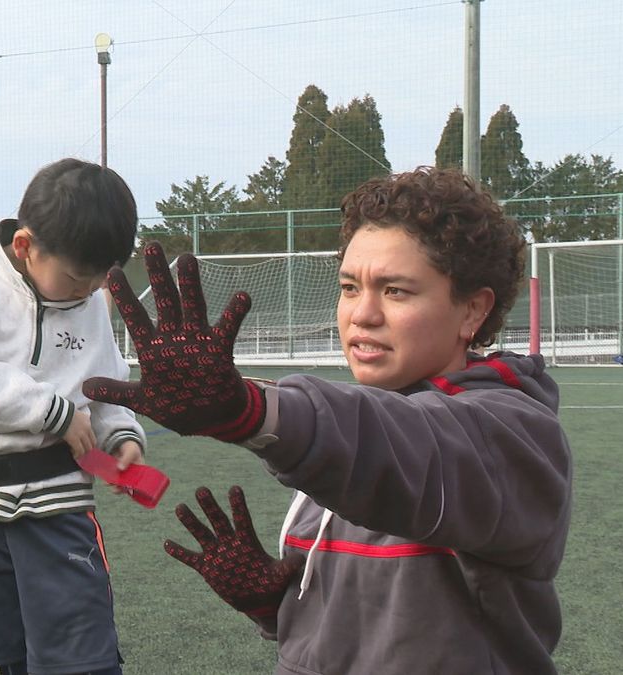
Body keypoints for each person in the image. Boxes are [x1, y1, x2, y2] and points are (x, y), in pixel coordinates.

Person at [84, 166, 573, 674]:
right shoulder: (354, 438)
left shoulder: (513, 437)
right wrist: (276, 606)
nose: (362, 314)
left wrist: (247, 408)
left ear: (472, 311)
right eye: (349, 287)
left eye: (396, 290)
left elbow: (409, 452)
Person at [0, 158, 146, 675]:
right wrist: (49, 410)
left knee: (78, 660)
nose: (88, 292)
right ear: (25, 246)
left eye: (98, 280)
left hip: (56, 508)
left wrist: (122, 435)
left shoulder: (91, 298)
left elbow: (104, 387)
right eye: (77, 277)